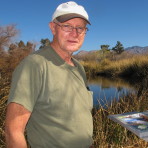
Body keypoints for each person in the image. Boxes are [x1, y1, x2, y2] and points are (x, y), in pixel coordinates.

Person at [5, 1, 93, 148]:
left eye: (80, 28)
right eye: (67, 26)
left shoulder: (79, 68)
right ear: (53, 28)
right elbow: (13, 131)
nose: (74, 33)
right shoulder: (34, 65)